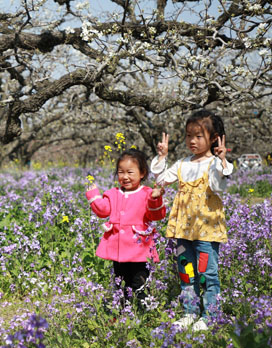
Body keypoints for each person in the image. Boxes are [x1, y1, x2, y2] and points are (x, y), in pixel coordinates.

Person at [151, 109, 232, 332]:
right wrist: (162, 157)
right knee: (186, 271)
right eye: (188, 135)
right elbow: (161, 180)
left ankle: (210, 315)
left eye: (198, 136)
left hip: (206, 231)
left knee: (207, 273)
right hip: (183, 231)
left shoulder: (215, 164)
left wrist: (222, 160)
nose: (192, 141)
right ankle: (189, 312)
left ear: (213, 138)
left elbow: (217, 186)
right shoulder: (182, 164)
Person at [86, 149, 166, 309]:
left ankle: (145, 315)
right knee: (121, 283)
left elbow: (156, 215)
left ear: (142, 173)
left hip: (140, 252)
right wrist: (93, 194)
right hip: (119, 251)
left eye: (130, 172)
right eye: (121, 172)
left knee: (140, 284)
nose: (125, 176)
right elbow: (103, 211)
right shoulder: (113, 193)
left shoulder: (147, 193)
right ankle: (122, 314)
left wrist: (156, 199)